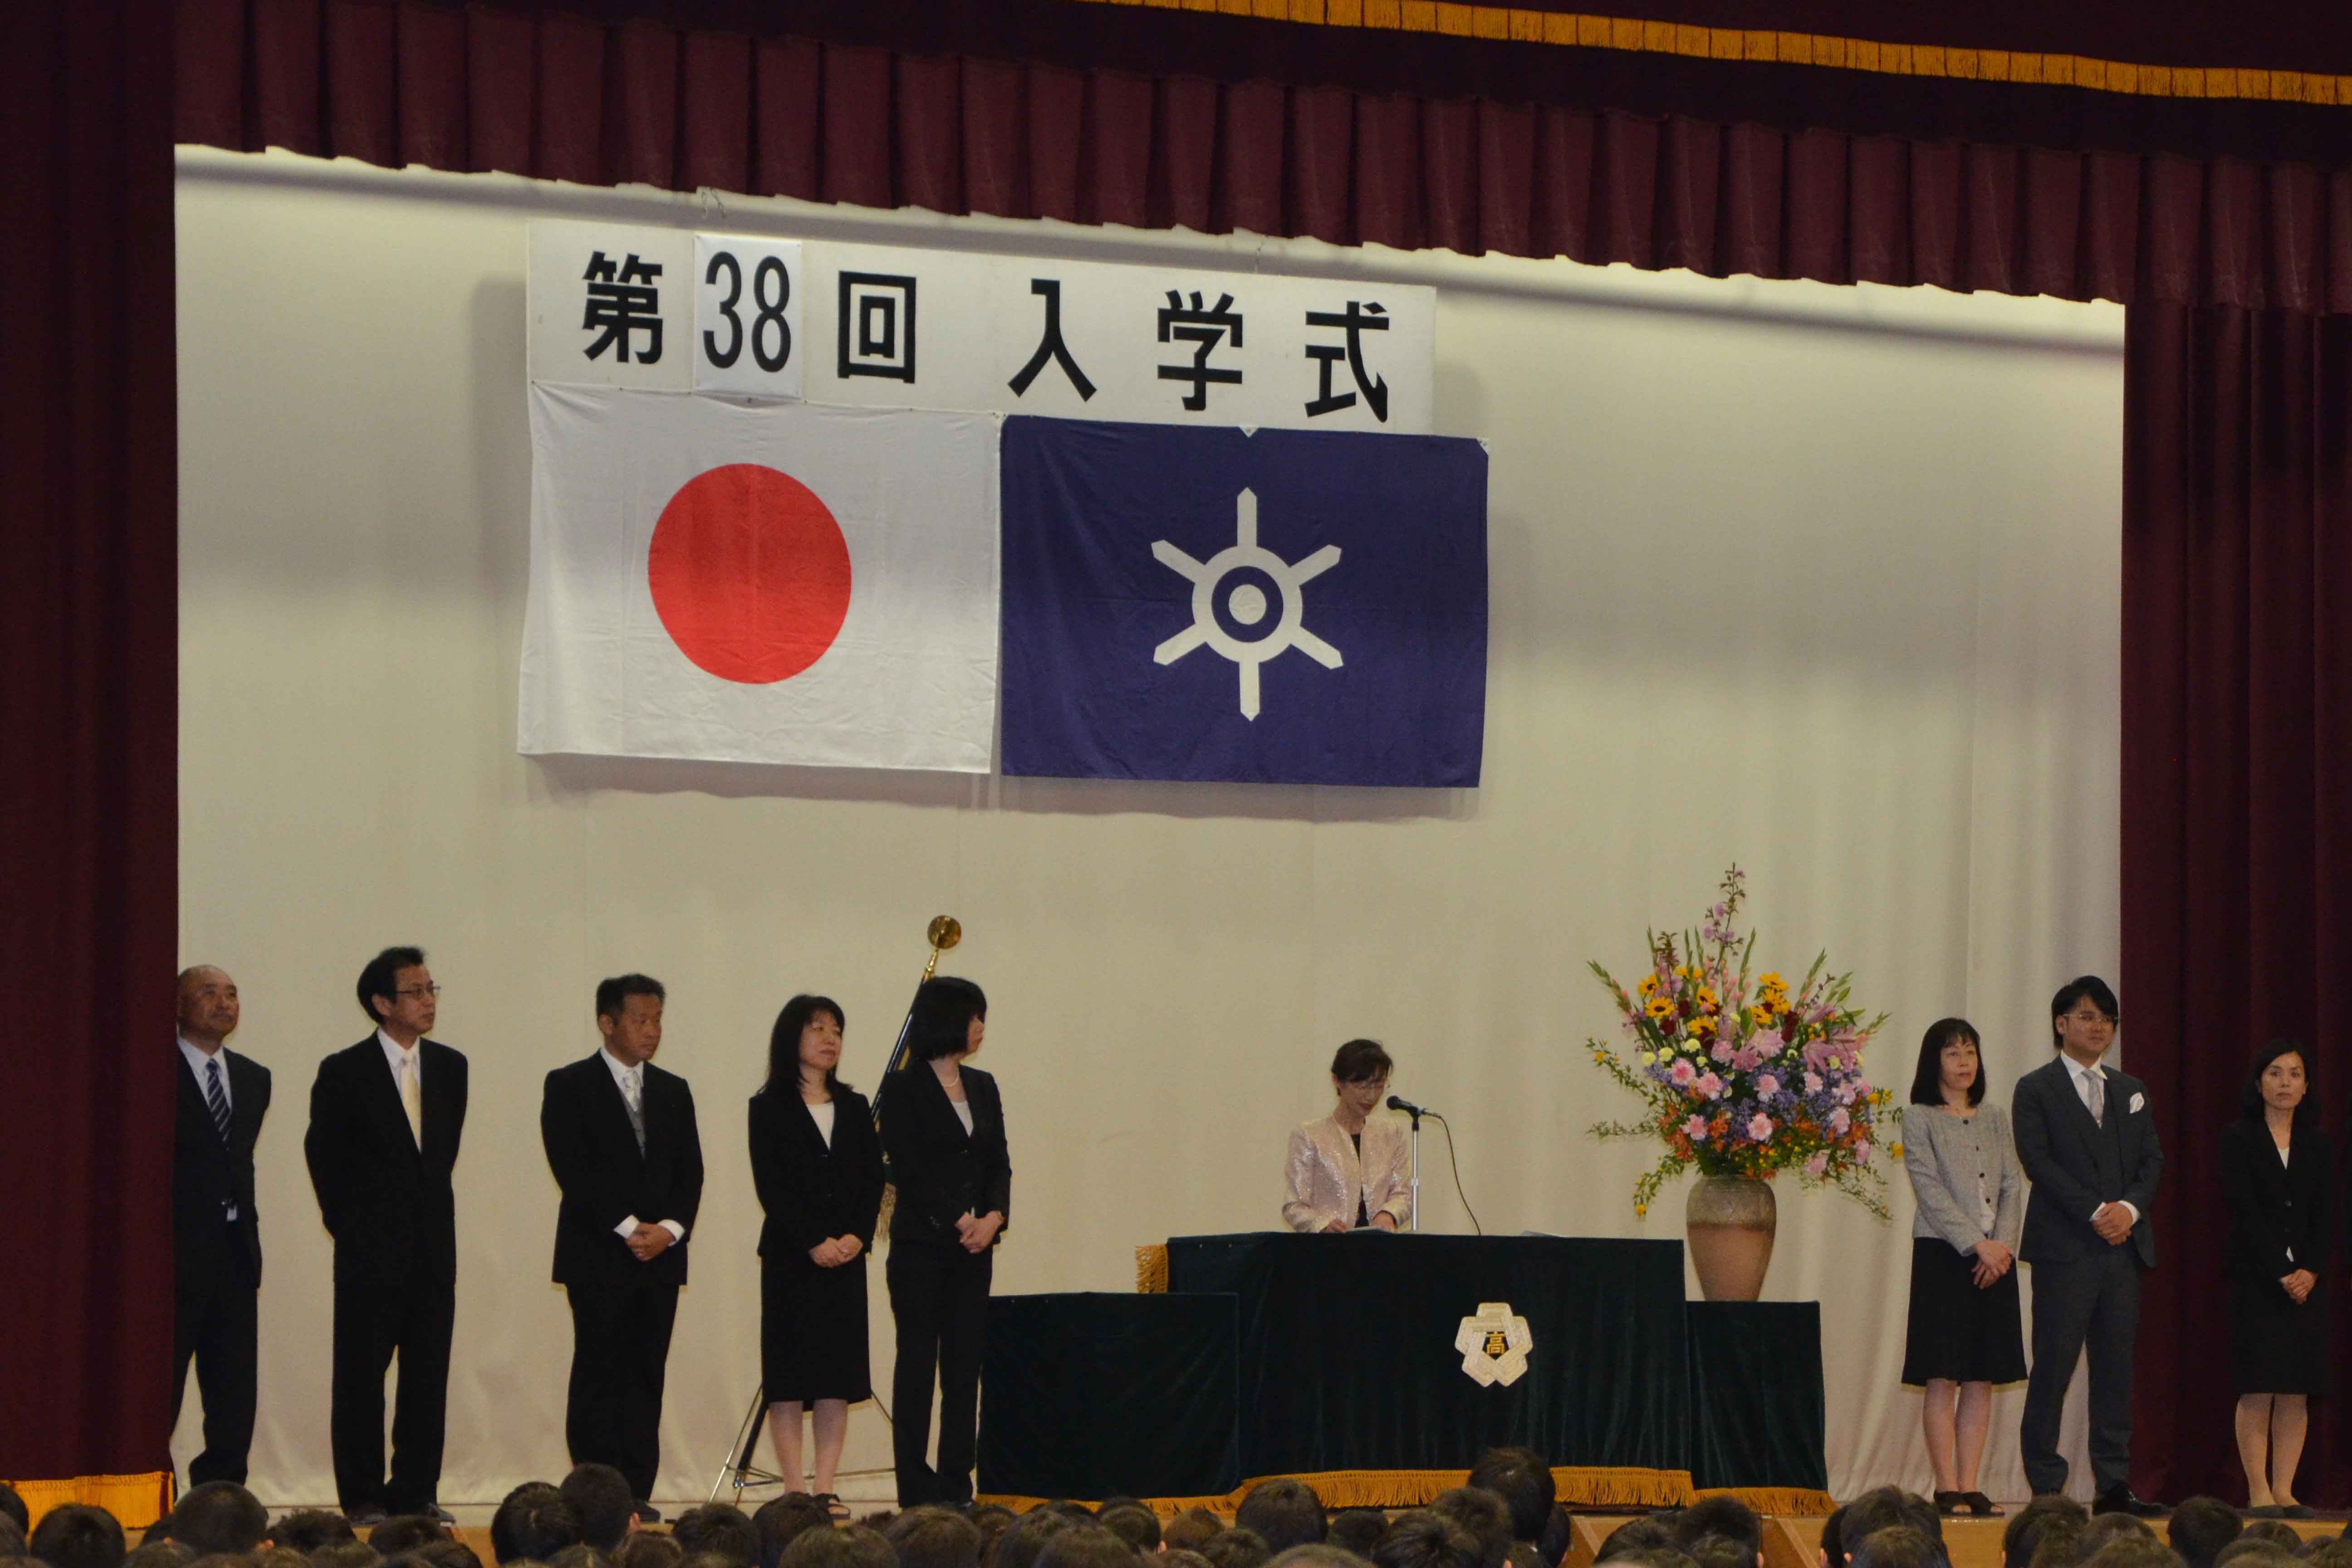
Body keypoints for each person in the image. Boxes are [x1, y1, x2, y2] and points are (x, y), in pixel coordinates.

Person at [304, 945, 470, 1524]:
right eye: (415, 992)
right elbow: (323, 1157)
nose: (428, 1002)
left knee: (428, 1375)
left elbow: (437, 1162)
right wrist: (352, 1228)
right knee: (360, 1378)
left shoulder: (452, 1066)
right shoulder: (343, 1071)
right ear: (381, 1003)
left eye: (432, 990)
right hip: (369, 1252)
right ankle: (363, 1495)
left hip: (433, 1251)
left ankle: (417, 1491)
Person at [542, 974, 706, 1519]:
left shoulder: (674, 1089)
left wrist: (670, 1231)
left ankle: (637, 1492)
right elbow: (574, 1169)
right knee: (599, 1372)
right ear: (607, 1023)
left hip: (661, 1258)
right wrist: (631, 1227)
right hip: (599, 1255)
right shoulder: (569, 1084)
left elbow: (691, 1174)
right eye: (640, 1019)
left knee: (646, 1374)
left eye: (658, 1019)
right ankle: (595, 1497)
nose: (652, 1030)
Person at [2013, 975, 2164, 1516]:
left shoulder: (2131, 1089)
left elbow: (2152, 1162)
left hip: (2124, 1252)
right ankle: (2047, 1488)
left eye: (2106, 1018)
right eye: (2086, 1016)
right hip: (2065, 1251)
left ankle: (2114, 1486)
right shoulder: (2036, 1088)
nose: (2097, 1026)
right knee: (2053, 1368)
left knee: (2116, 1369)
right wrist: (2097, 1211)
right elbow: (2039, 1162)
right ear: (2061, 1024)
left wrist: (2128, 1210)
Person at [750, 994, 885, 1515]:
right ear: (792, 1038)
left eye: (837, 1030)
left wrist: (857, 1236)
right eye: (818, 1029)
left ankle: (826, 1486)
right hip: (791, 1257)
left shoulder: (854, 1106)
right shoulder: (767, 1107)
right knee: (788, 1376)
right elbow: (772, 1186)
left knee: (836, 1376)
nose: (830, 1039)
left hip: (846, 1259)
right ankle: (793, 1490)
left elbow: (873, 1179)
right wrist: (812, 1240)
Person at [877, 975, 1009, 1508]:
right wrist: (961, 1220)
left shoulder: (984, 1085)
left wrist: (995, 1217)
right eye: (974, 1016)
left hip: (975, 1251)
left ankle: (958, 1486)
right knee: (916, 1367)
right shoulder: (903, 1087)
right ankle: (915, 1488)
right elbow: (907, 1168)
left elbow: (998, 1160)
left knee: (963, 1371)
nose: (980, 1027)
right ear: (947, 1019)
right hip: (920, 1248)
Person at [1899, 1016, 2027, 1517]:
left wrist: (2003, 1248)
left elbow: (2014, 1186)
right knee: (1943, 1374)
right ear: (1935, 1062)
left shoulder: (1995, 1116)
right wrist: (1977, 1243)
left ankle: (1971, 1484)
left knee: (1981, 1375)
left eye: (1970, 1052)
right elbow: (1928, 1190)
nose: (1964, 1062)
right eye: (1953, 1054)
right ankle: (1945, 1486)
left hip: (1996, 1259)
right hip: (1944, 1255)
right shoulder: (1919, 1117)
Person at [2219, 1039, 2333, 1517]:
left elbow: (2329, 1214)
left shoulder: (2320, 1144)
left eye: (2295, 1074)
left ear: (2307, 1087)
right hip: (2256, 1278)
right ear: (2259, 1083)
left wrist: (2310, 1269)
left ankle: (2285, 1491)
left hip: (2308, 1283)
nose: (2286, 1083)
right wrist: (2283, 1270)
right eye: (2276, 1073)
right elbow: (2243, 1212)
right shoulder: (2238, 1139)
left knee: (2295, 1388)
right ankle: (2259, 1492)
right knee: (2259, 1384)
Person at [172, 965, 272, 1489]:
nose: (224, 1002)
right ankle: (148, 1490)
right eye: (208, 993)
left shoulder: (255, 1077)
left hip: (236, 1252)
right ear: (179, 1007)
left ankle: (221, 1495)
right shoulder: (154, 1071)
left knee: (234, 1390)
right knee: (161, 1385)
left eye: (232, 993)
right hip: (174, 1255)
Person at [1282, 1039, 1409, 1232]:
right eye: (1362, 1086)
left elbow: (1404, 1194)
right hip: (1328, 1252)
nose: (1371, 1096)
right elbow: (1294, 1206)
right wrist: (1321, 1224)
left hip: (1381, 1251)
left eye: (1378, 1084)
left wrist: (1389, 1214)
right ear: (1337, 1081)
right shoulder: (1309, 1135)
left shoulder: (1391, 1133)